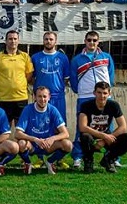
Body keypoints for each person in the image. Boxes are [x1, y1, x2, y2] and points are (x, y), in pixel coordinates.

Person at [70, 31, 115, 169]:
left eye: (94, 40)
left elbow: (111, 76)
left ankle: (112, 157)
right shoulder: (77, 59)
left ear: (98, 41)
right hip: (85, 97)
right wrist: (83, 90)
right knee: (81, 129)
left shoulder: (106, 57)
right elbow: (73, 81)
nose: (92, 43)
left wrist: (106, 92)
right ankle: (78, 157)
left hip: (104, 97)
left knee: (109, 128)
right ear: (85, 41)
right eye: (89, 40)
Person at [30, 31, 71, 170]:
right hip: (41, 98)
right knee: (39, 127)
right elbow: (31, 77)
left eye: (51, 39)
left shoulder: (63, 58)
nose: (48, 41)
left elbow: (66, 78)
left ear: (56, 41)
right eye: (46, 39)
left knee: (59, 128)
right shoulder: (35, 57)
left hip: (58, 97)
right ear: (43, 41)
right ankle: (39, 158)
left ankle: (58, 159)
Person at [78, 81, 127, 173]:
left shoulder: (113, 105)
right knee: (85, 136)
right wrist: (103, 136)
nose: (102, 96)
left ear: (109, 93)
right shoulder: (86, 105)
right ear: (94, 93)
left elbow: (123, 126)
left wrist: (105, 140)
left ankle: (109, 159)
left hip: (107, 135)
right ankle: (88, 161)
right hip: (91, 135)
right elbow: (82, 127)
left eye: (105, 93)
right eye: (99, 92)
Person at [15, 86, 73, 175]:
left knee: (68, 145)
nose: (42, 99)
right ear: (34, 97)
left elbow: (65, 133)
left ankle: (50, 162)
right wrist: (35, 139)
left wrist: (52, 138)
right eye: (39, 96)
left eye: (44, 96)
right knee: (21, 143)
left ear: (49, 97)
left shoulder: (53, 110)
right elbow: (17, 133)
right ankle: (27, 163)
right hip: (32, 145)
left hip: (48, 144)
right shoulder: (28, 109)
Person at [0, 30, 33, 126]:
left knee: (20, 129)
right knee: (4, 129)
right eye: (10, 39)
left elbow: (29, 76)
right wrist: (0, 87)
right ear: (6, 41)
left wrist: (20, 85)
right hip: (4, 98)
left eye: (15, 39)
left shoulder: (25, 56)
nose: (13, 41)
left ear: (18, 41)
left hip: (21, 98)